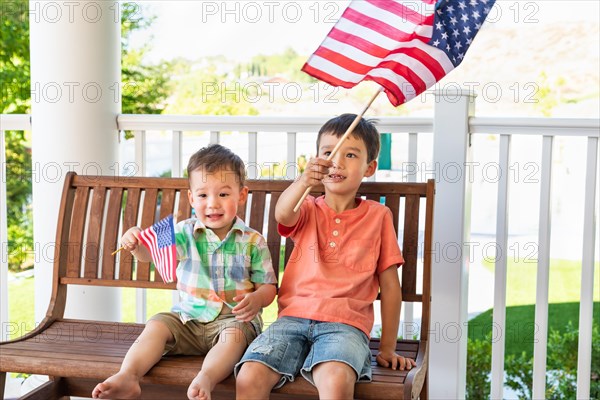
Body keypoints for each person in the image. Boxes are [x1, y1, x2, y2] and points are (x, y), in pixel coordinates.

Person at [234, 114, 416, 399]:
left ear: (369, 168)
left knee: (335, 379)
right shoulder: (306, 207)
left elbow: (390, 285)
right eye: (328, 152)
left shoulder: (379, 216)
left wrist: (388, 347)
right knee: (249, 375)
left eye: (350, 154)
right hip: (291, 320)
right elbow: (283, 213)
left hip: (345, 326)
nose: (337, 161)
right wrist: (303, 180)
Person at [92, 144, 277, 400]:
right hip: (187, 319)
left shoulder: (252, 241)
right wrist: (136, 245)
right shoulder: (183, 232)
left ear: (242, 195)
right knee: (157, 324)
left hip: (232, 320)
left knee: (234, 337)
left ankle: (206, 377)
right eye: (203, 196)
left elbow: (268, 286)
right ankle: (129, 376)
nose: (213, 204)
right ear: (191, 198)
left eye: (223, 194)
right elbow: (150, 254)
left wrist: (257, 299)